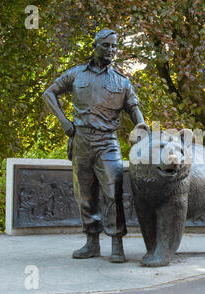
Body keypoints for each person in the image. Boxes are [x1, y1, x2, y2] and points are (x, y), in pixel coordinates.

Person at [42, 29, 149, 262]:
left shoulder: (122, 81)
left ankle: (117, 244)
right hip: (81, 140)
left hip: (107, 142)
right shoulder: (76, 74)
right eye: (107, 45)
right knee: (85, 194)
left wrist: (141, 127)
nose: (111, 50)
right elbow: (49, 93)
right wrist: (63, 122)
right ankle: (91, 243)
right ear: (96, 45)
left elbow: (134, 109)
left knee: (113, 191)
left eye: (114, 46)